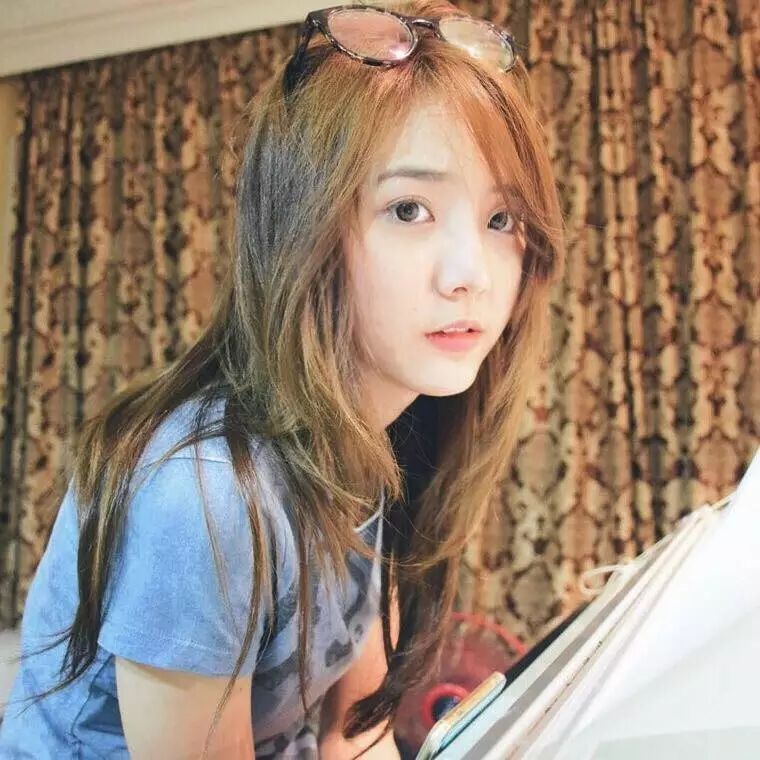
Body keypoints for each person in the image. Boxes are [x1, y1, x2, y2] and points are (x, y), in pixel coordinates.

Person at [0, 1, 564, 757]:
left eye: (501, 220)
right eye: (408, 209)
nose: (473, 276)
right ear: (303, 229)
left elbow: (353, 732)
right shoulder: (204, 495)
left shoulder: (377, 442)